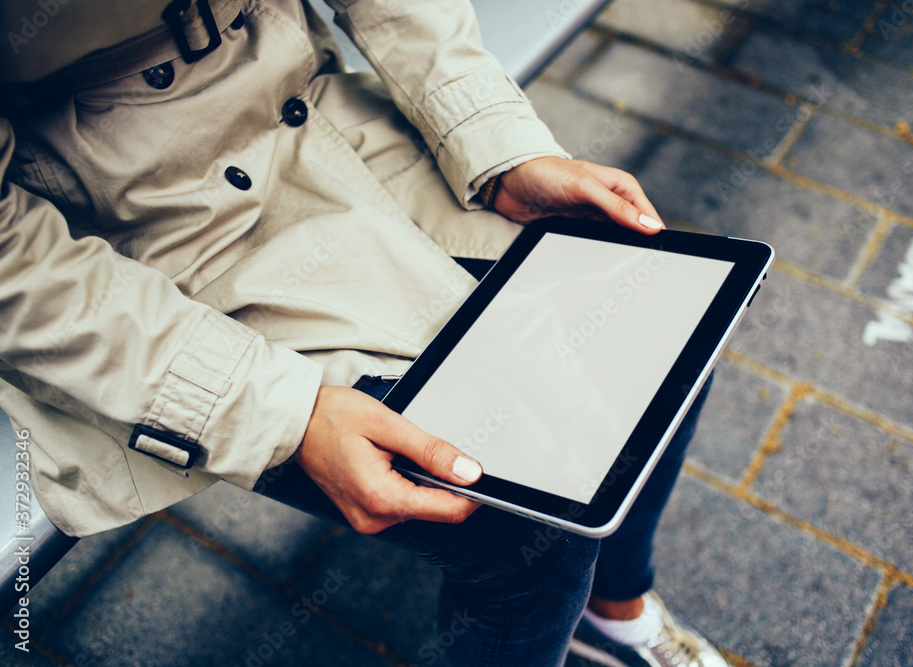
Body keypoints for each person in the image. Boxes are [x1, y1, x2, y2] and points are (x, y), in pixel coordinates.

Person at [0, 1, 727, 664]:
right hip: (134, 239)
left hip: (325, 119)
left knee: (661, 324)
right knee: (522, 529)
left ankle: (614, 610)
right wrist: (279, 414)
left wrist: (497, 143)